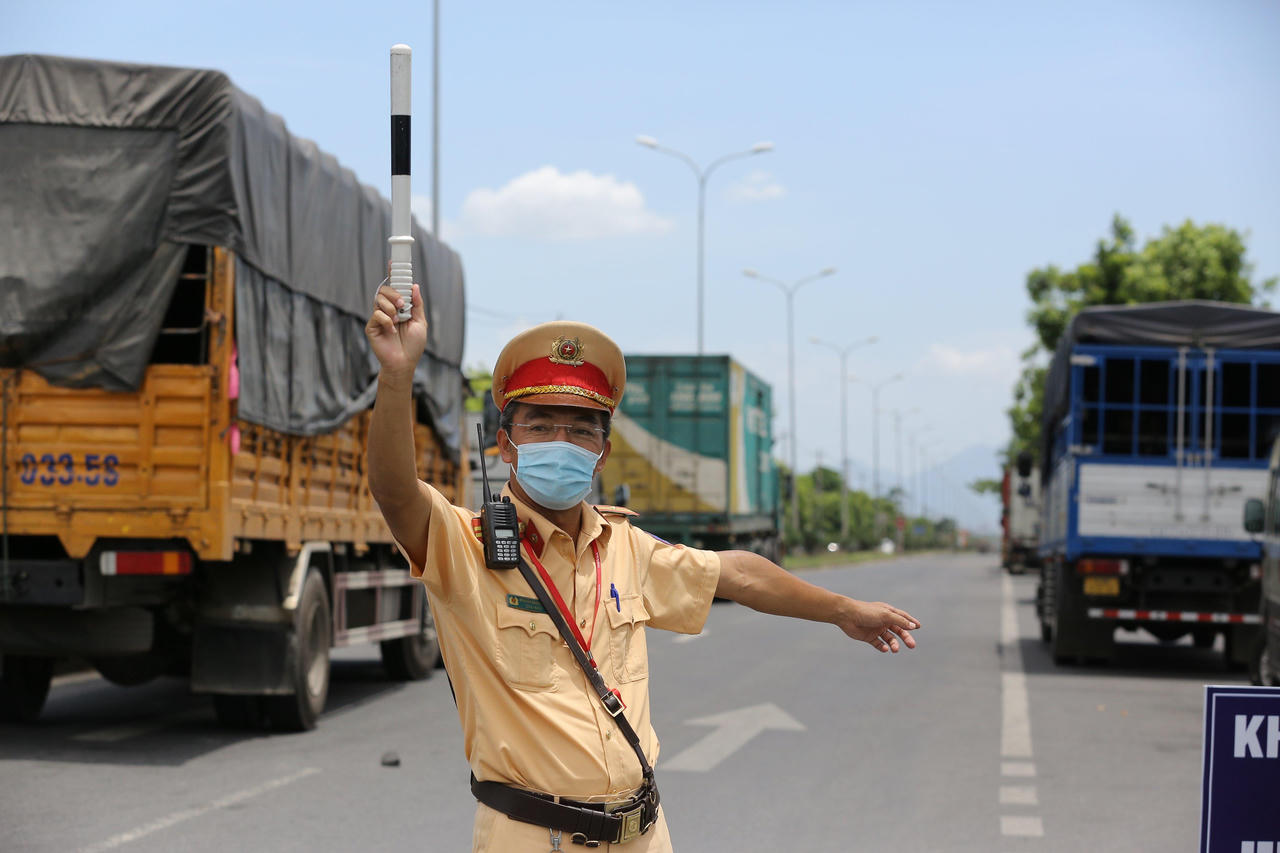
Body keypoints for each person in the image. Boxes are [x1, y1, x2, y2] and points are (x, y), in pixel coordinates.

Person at [365, 284, 921, 852]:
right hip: (534, 839)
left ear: (601, 454)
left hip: (643, 835)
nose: (563, 440)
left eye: (582, 429)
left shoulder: (625, 546)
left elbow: (741, 575)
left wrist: (845, 611)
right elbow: (393, 490)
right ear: (506, 446)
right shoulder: (466, 544)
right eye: (541, 425)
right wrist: (396, 375)